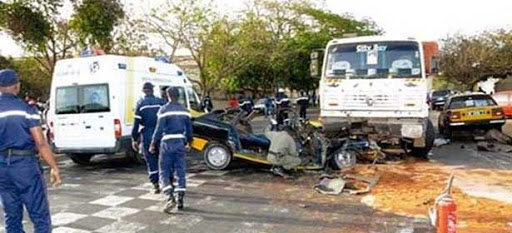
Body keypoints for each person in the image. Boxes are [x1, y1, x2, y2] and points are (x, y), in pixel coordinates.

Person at [0, 69, 61, 233]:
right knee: (40, 216)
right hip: (25, 166)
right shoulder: (27, 109)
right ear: (16, 86)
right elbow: (40, 143)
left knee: (12, 217)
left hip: (2, 168)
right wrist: (54, 167)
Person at [150, 87, 193, 214]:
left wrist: (153, 143)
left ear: (167, 95)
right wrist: (189, 142)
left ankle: (170, 197)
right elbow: (189, 130)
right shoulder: (185, 111)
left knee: (164, 170)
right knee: (180, 170)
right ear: (178, 96)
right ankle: (180, 199)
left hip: (167, 143)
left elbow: (159, 129)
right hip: (180, 142)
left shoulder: (164, 109)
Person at [131, 82, 165, 194]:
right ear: (152, 90)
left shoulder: (140, 104)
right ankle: (167, 182)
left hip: (147, 135)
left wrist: (134, 139)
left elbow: (136, 125)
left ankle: (156, 185)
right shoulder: (160, 103)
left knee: (151, 160)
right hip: (161, 134)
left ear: (143, 91)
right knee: (164, 159)